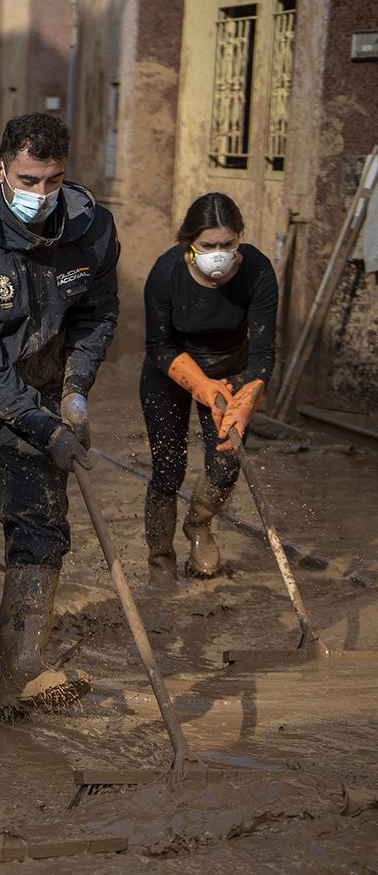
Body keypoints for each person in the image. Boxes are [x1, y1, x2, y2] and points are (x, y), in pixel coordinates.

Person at [0, 112, 119, 715]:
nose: (41, 194)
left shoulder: (91, 229)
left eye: (53, 180)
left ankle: (21, 672)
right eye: (28, 179)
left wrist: (76, 391)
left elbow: (97, 315)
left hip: (42, 395)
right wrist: (46, 428)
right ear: (0, 171)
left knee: (40, 530)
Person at [141, 192, 277, 589]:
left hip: (231, 367)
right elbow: (158, 346)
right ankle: (160, 562)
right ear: (189, 243)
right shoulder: (167, 273)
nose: (218, 254)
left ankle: (199, 527)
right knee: (168, 468)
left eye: (227, 245)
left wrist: (247, 398)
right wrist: (200, 386)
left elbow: (264, 352)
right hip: (171, 371)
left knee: (225, 464)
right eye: (208, 246)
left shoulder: (258, 272)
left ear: (240, 239)